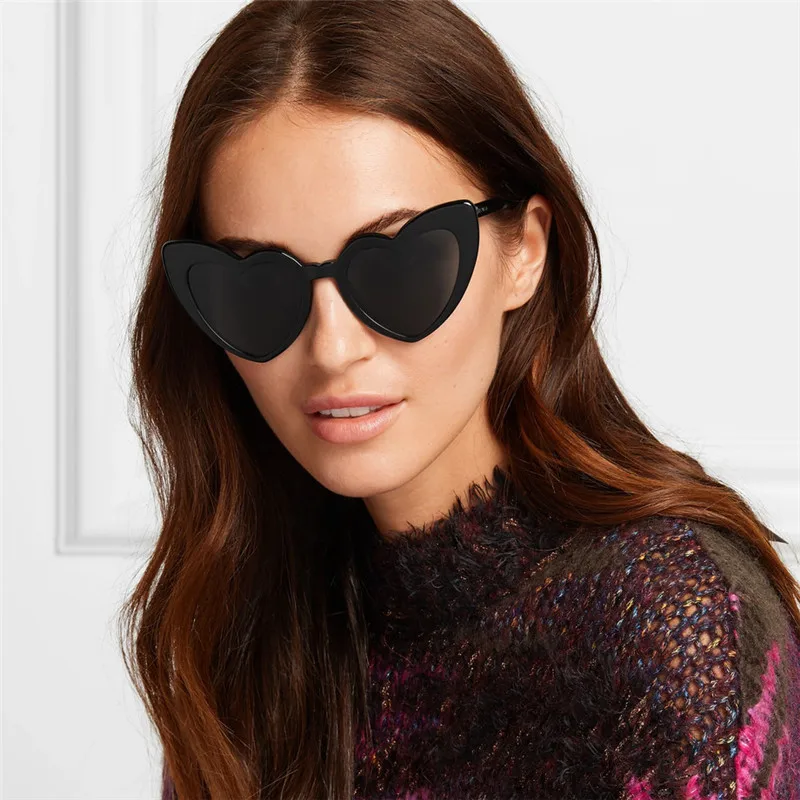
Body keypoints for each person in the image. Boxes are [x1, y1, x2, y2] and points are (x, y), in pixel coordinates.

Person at [116, 1, 800, 798]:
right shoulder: (249, 629)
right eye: (257, 288)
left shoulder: (671, 624)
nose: (331, 348)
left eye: (395, 267)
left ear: (524, 252)